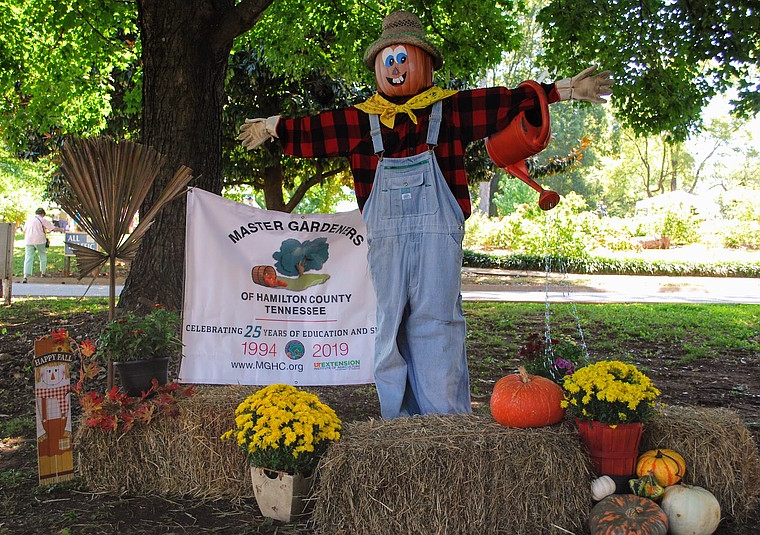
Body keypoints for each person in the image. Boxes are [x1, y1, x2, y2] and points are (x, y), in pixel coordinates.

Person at [239, 10, 613, 419]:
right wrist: (275, 126)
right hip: (387, 241)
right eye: (389, 60)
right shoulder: (361, 121)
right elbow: (315, 130)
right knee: (389, 325)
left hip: (439, 237)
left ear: (425, 63)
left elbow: (506, 101)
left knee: (438, 323)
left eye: (404, 58)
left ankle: (444, 423)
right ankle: (398, 423)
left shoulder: (450, 111)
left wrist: (565, 90)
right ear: (379, 66)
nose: (397, 67)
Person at [23, 207, 58, 282]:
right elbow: (52, 228)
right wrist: (61, 229)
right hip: (40, 240)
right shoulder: (42, 220)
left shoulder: (29, 220)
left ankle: (26, 275)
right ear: (42, 214)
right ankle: (43, 272)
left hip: (29, 240)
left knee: (28, 257)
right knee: (42, 255)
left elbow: (24, 230)